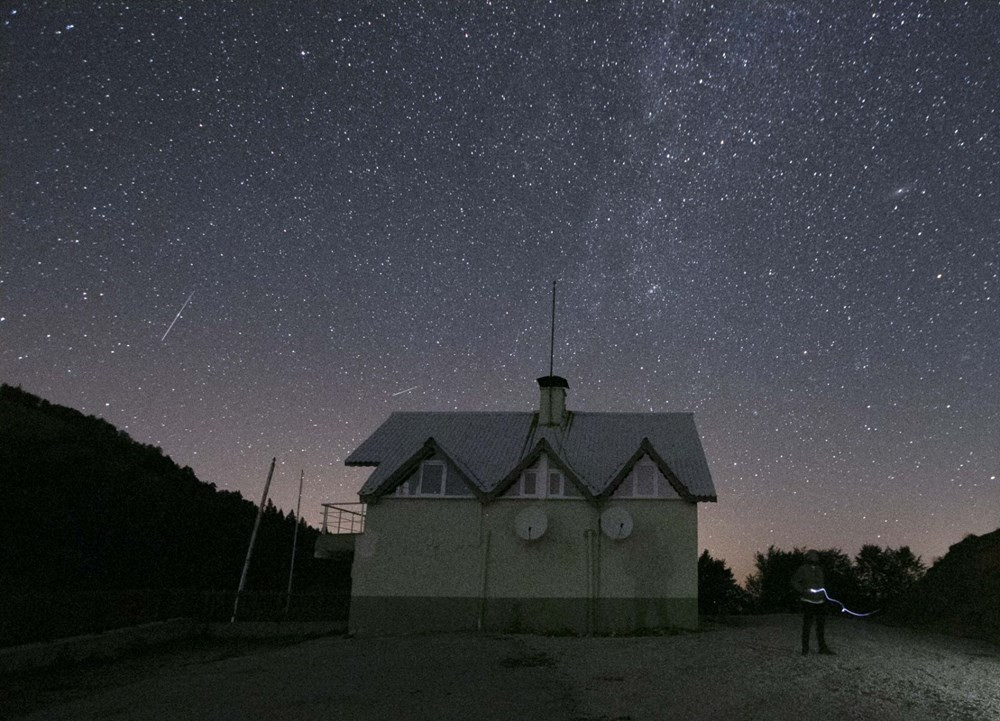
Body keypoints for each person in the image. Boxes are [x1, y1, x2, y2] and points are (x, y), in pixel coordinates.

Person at [790, 550, 835, 655]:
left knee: (821, 626)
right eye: (813, 556)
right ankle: (805, 649)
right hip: (808, 601)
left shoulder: (820, 569)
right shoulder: (803, 569)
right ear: (808, 557)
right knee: (807, 626)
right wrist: (802, 590)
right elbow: (794, 581)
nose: (815, 558)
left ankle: (822, 648)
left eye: (816, 556)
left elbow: (823, 583)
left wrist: (823, 596)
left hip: (820, 601)